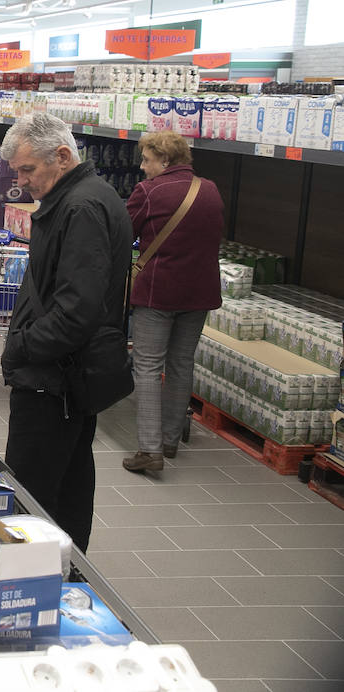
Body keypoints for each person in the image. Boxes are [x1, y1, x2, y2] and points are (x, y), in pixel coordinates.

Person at [0, 113, 132, 553]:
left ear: (61, 156)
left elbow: (77, 311)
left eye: (28, 170)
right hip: (69, 379)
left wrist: (21, 348)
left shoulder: (81, 207)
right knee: (69, 484)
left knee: (33, 494)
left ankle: (31, 583)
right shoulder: (83, 198)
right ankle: (67, 573)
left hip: (53, 380)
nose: (21, 181)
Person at [122, 131, 224, 474]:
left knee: (148, 366)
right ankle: (169, 440)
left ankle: (150, 450)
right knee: (182, 363)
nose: (142, 166)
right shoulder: (209, 189)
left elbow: (124, 234)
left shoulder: (148, 192)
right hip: (199, 294)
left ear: (165, 160)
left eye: (147, 159)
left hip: (158, 293)